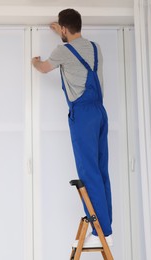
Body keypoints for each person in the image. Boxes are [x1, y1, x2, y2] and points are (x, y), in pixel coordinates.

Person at [31, 8, 113, 248]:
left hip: (83, 116)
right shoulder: (95, 48)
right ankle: (106, 227)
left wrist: (34, 62)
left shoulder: (62, 52)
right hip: (100, 112)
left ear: (64, 29)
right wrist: (63, 34)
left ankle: (101, 230)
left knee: (88, 173)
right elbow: (76, 52)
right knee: (100, 169)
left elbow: (45, 68)